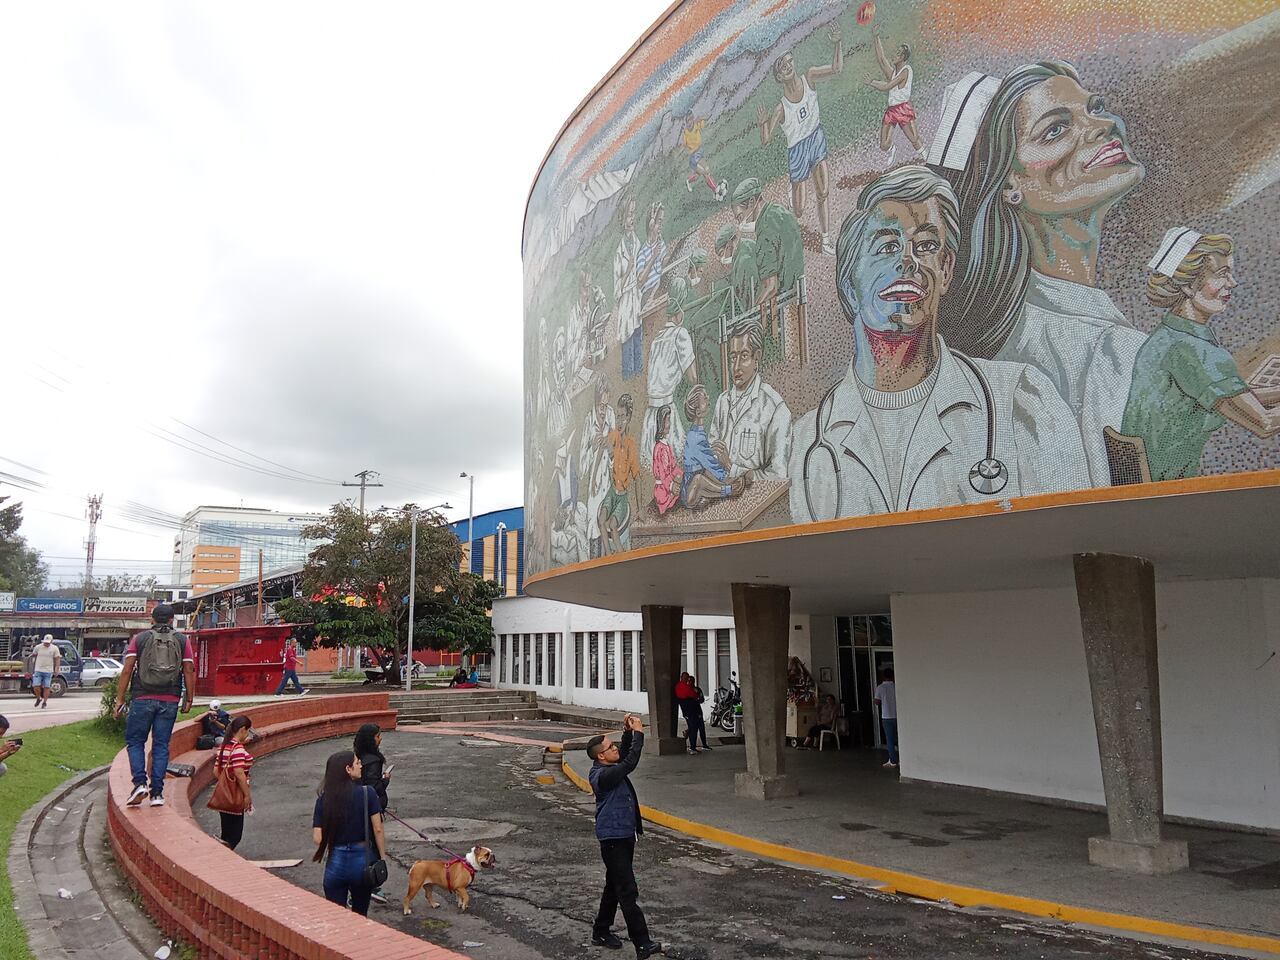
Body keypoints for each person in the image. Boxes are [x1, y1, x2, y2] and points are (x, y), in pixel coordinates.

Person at [789, 166, 1090, 522]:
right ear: (850, 280)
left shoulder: (1019, 402)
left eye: (926, 246)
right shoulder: (810, 439)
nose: (907, 260)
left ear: (945, 270)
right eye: (886, 246)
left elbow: (1077, 534)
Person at [929, 65, 1146, 486]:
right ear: (1010, 184)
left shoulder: (1027, 324)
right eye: (1055, 130)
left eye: (1094, 108)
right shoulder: (1105, 352)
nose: (1102, 125)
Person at [1122, 229, 1280, 480]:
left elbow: (1234, 400)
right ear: (1187, 285)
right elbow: (1265, 424)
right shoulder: (1195, 351)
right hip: (1174, 487)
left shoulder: (1166, 336)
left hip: (1148, 480)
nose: (1233, 283)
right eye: (1222, 275)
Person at [757, 25, 843, 255]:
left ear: (793, 61)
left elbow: (837, 68)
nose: (786, 67)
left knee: (823, 191)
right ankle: (791, 194)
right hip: (797, 151)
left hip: (815, 138)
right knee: (799, 209)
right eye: (781, 67)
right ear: (778, 76)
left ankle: (825, 239)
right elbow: (765, 139)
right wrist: (763, 123)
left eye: (788, 61)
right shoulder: (780, 109)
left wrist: (837, 43)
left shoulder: (810, 77)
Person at [587, 715, 663, 958]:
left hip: (622, 836)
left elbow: (625, 753)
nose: (615, 748)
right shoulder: (602, 776)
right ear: (601, 756)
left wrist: (628, 732)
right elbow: (629, 762)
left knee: (614, 885)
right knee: (627, 889)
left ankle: (600, 930)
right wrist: (640, 734)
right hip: (613, 839)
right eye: (610, 747)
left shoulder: (609, 767)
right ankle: (642, 942)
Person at [114, 604, 195, 807]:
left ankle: (140, 783)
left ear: (152, 619)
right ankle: (157, 793)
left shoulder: (140, 639)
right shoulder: (182, 640)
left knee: (135, 742)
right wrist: (189, 699)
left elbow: (127, 669)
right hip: (170, 699)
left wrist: (120, 698)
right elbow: (189, 669)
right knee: (161, 746)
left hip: (142, 697)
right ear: (172, 620)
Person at [709, 320, 792, 483]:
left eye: (744, 356)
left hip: (754, 502)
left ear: (757, 358)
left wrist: (731, 467)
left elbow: (778, 479)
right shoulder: (723, 402)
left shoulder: (775, 409)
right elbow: (711, 450)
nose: (736, 367)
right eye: (733, 357)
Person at [313, 750, 387, 916]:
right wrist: (382, 856)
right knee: (360, 914)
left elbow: (318, 838)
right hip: (362, 859)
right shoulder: (367, 793)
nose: (361, 765)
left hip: (336, 860)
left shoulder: (324, 799)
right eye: (357, 763)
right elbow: (378, 828)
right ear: (348, 769)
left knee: (337, 915)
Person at [731, 178, 804, 342]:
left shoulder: (765, 227)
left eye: (740, 216)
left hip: (788, 301)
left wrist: (749, 316)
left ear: (752, 201)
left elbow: (771, 287)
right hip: (798, 286)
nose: (741, 222)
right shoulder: (778, 211)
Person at [641, 276, 698, 470]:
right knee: (677, 462)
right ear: (680, 309)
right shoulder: (680, 334)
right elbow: (693, 379)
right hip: (666, 413)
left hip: (651, 415)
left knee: (658, 468)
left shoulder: (657, 339)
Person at [682, 385, 747, 509]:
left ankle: (725, 487)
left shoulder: (697, 433)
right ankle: (728, 490)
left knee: (705, 475)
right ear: (698, 412)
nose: (708, 399)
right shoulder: (696, 438)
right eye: (704, 399)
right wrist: (727, 477)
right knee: (700, 479)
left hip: (694, 485)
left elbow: (706, 460)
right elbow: (711, 464)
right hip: (690, 491)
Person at [867, 26, 923, 160]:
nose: (894, 55)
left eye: (898, 54)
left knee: (914, 138)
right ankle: (892, 148)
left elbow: (887, 86)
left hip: (902, 108)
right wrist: (876, 37)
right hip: (892, 110)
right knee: (883, 145)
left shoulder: (906, 70)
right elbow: (881, 59)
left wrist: (871, 82)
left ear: (903, 57)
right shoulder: (893, 73)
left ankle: (925, 156)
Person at [354, 722, 392, 905]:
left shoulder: (359, 757)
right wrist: (385, 781)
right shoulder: (374, 761)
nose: (380, 738)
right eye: (378, 735)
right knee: (372, 848)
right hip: (371, 809)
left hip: (359, 808)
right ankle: (370, 886)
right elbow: (373, 787)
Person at [600, 394, 641, 555]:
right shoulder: (614, 436)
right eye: (617, 416)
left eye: (623, 416)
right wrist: (599, 441)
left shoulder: (631, 445)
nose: (619, 421)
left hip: (622, 497)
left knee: (612, 525)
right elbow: (605, 441)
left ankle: (622, 556)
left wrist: (639, 509)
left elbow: (637, 478)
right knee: (602, 520)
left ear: (629, 417)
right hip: (612, 493)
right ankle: (608, 557)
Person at [614, 196, 644, 379]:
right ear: (622, 220)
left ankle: (639, 373)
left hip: (636, 296)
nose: (631, 219)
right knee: (627, 336)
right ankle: (628, 376)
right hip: (626, 300)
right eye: (628, 215)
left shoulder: (637, 242)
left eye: (633, 214)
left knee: (638, 332)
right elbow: (616, 288)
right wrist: (628, 271)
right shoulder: (619, 252)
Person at [213, 716, 254, 850]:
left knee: (226, 831)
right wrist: (247, 795)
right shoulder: (237, 749)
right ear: (242, 730)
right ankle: (224, 855)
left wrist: (225, 784)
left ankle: (223, 851)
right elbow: (239, 773)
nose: (247, 734)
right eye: (248, 731)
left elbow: (216, 771)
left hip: (224, 794)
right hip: (236, 793)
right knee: (235, 835)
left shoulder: (223, 747)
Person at [682, 116, 727, 200]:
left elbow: (706, 119)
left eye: (691, 120)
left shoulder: (696, 125)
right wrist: (691, 149)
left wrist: (701, 118)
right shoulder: (686, 133)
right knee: (705, 173)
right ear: (686, 123)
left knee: (706, 172)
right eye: (688, 121)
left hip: (699, 154)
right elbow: (684, 144)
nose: (690, 122)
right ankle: (715, 190)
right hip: (694, 158)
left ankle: (689, 180)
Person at [651, 405, 683, 515]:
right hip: (663, 492)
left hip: (669, 487)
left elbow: (673, 466)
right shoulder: (659, 448)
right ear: (661, 423)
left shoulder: (667, 445)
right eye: (667, 420)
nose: (669, 424)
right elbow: (663, 475)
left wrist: (681, 474)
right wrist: (671, 486)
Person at [674, 672, 707, 754]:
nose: (688, 680)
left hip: (687, 711)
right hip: (692, 711)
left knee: (693, 727)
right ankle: (692, 747)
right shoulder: (686, 688)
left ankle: (693, 745)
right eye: (687, 678)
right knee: (694, 728)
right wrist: (696, 694)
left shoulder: (679, 686)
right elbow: (695, 696)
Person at [873, 670, 898, 768]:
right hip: (897, 715)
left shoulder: (880, 687)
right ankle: (902, 759)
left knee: (890, 739)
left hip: (886, 716)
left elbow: (876, 702)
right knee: (899, 738)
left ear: (883, 676)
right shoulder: (896, 686)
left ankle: (892, 760)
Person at [30, 634, 60, 709]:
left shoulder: (54, 648)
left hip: (48, 670)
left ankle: (45, 702)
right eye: (45, 642)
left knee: (47, 686)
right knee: (36, 685)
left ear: (51, 642)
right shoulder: (38, 647)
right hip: (38, 669)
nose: (46, 644)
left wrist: (56, 669)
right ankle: (38, 698)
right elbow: (34, 655)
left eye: (48, 642)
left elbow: (57, 659)